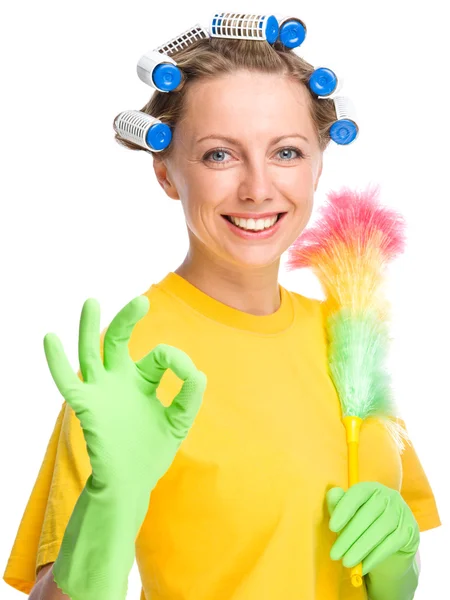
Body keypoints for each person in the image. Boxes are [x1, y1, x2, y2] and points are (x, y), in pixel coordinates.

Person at [3, 28, 441, 600]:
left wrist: (397, 565)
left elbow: (380, 581)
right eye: (219, 154)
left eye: (286, 152)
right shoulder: (131, 358)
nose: (258, 188)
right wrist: (110, 508)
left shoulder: (347, 335)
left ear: (317, 167)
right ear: (165, 172)